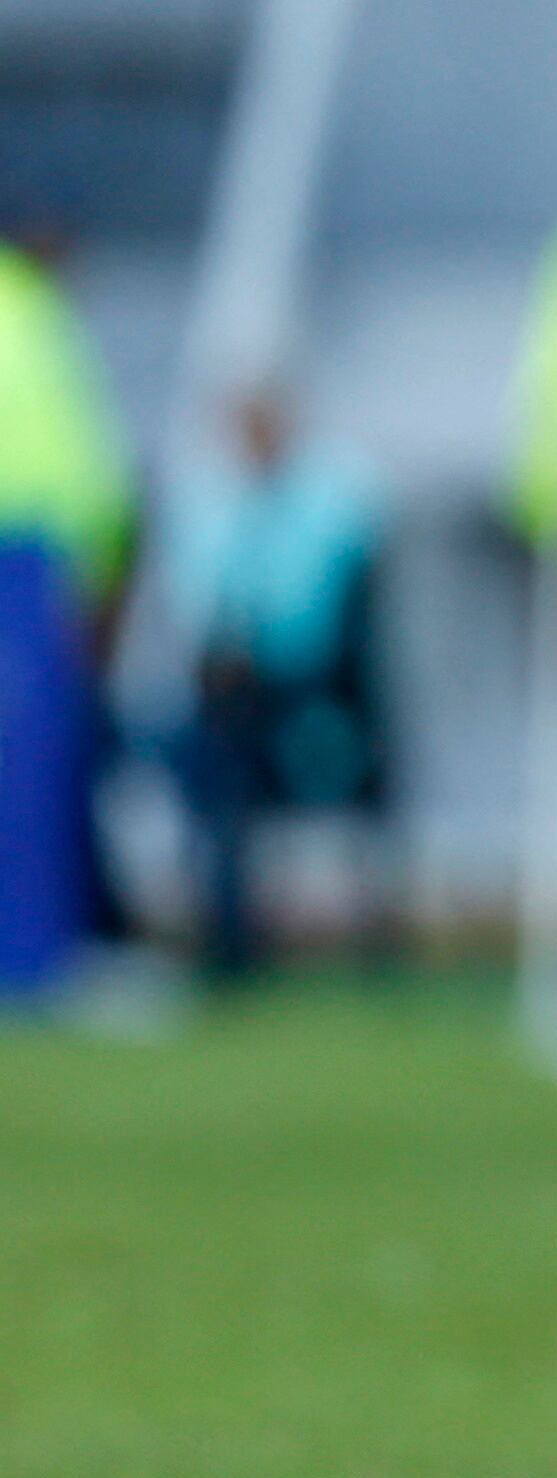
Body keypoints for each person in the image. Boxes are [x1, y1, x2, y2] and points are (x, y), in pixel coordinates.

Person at [166, 391, 393, 980]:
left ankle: (369, 943)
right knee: (203, 763)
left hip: (314, 697)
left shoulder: (331, 501)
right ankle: (228, 940)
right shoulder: (213, 504)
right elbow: (200, 611)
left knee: (322, 768)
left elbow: (322, 616)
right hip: (238, 706)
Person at [0, 232, 134, 997]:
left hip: (30, 558)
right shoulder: (35, 319)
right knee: (40, 764)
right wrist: (104, 576)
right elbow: (88, 473)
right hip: (28, 563)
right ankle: (47, 949)